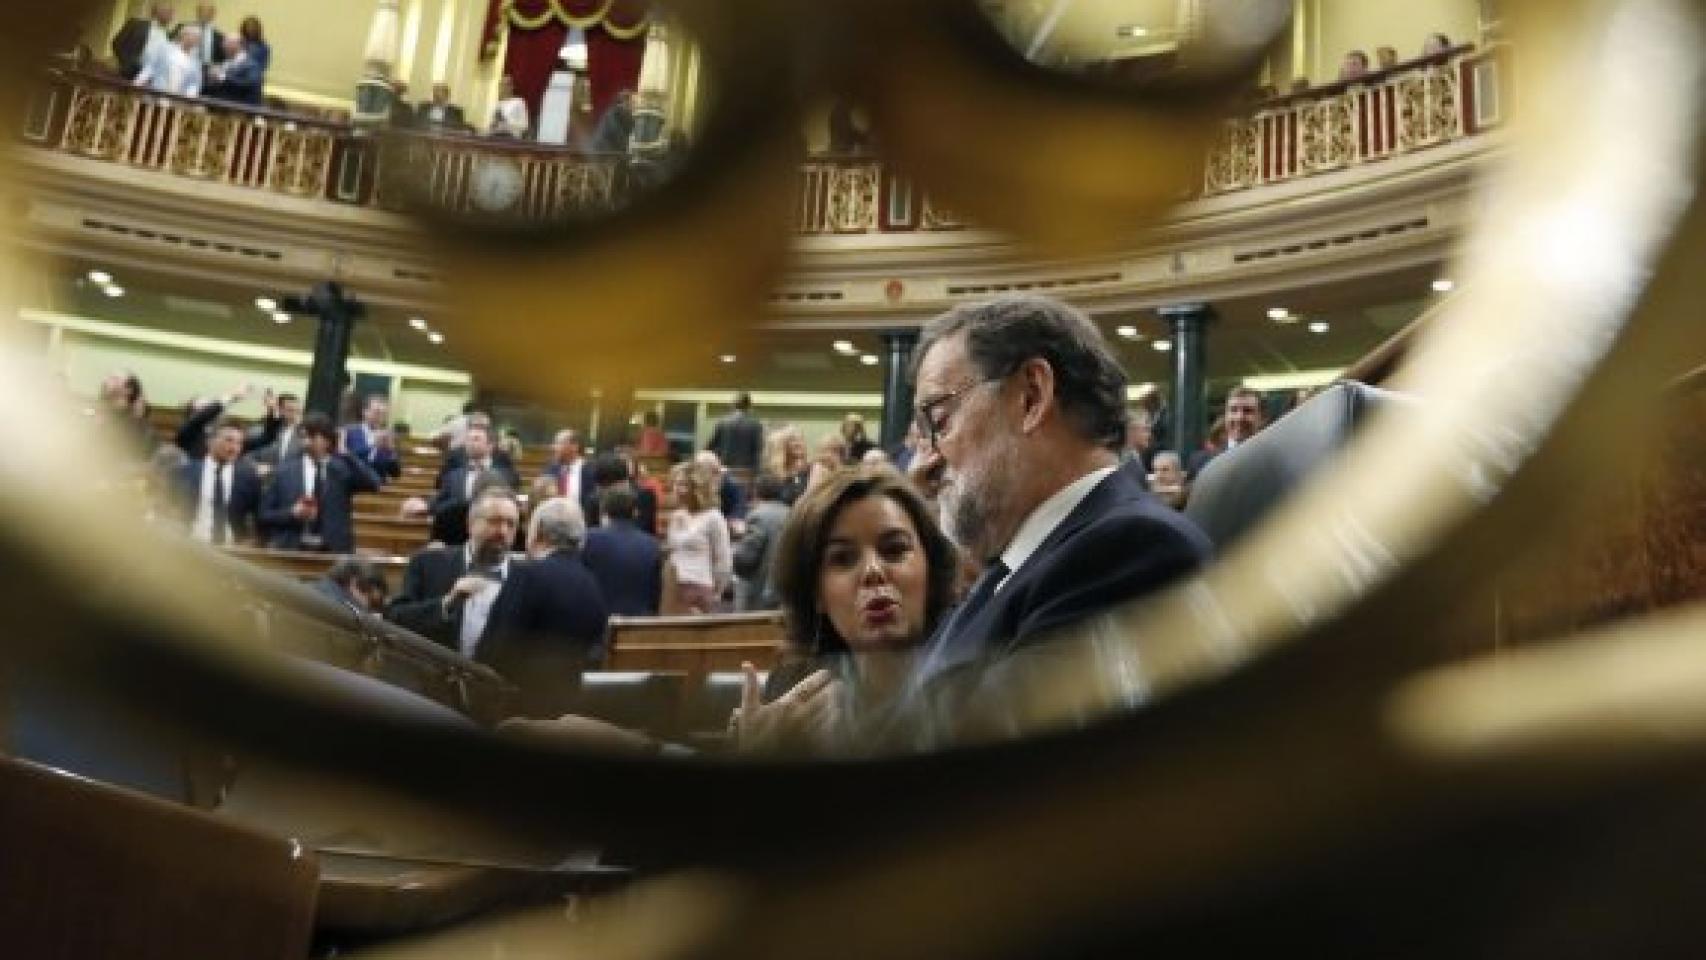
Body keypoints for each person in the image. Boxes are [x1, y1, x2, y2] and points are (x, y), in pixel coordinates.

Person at [902, 295, 1213, 745]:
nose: (924, 460)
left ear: (1031, 396)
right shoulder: (1023, 561)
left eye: (940, 419)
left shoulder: (1131, 551)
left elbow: (973, 771)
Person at [733, 466, 959, 755]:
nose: (873, 571)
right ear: (816, 594)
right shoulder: (792, 691)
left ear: (930, 567)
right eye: (842, 558)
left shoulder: (978, 679)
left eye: (894, 549)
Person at [482, 497, 610, 717]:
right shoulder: (592, 582)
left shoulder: (527, 574)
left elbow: (498, 646)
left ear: (538, 531)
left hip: (521, 707)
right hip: (571, 707)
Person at [387, 487, 520, 656]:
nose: (503, 531)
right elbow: (394, 619)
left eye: (511, 524)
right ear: (470, 524)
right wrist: (445, 604)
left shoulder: (527, 578)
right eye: (494, 521)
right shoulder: (428, 563)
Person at [259, 413, 382, 552]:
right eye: (303, 437)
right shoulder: (284, 470)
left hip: (334, 550)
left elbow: (374, 484)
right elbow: (264, 514)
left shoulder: (342, 469)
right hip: (292, 548)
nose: (306, 442)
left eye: (312, 436)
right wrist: (292, 513)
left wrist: (346, 454)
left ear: (327, 440)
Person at [431, 424, 521, 545]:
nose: (469, 443)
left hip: (494, 536)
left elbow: (513, 505)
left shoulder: (506, 475)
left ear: (490, 446)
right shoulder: (454, 475)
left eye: (476, 439)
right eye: (468, 439)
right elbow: (438, 504)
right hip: (457, 537)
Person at [176, 417, 261, 545]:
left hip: (232, 552)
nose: (234, 448)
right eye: (229, 440)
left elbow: (257, 515)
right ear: (210, 441)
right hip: (192, 547)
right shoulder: (186, 472)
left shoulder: (248, 477)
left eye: (239, 443)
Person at [582, 486, 662, 616]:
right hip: (640, 622)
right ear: (635, 512)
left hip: (599, 619)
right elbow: (655, 593)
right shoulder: (652, 544)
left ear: (604, 512)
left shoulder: (588, 538)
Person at [664, 461, 732, 614]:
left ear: (697, 488)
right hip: (674, 587)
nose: (677, 489)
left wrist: (716, 592)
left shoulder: (713, 517)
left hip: (699, 587)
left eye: (682, 485)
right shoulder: (676, 516)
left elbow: (723, 560)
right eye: (675, 484)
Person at [733, 473, 789, 612]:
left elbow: (746, 559)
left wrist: (735, 552)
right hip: (783, 591)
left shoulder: (758, 515)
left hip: (758, 592)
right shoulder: (791, 512)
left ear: (756, 491)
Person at [1188, 386, 1266, 475]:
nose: (1239, 417)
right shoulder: (1200, 462)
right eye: (1233, 410)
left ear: (1261, 418)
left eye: (1247, 411)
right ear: (1225, 416)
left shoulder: (1274, 460)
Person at [206, 17, 267, 106]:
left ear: (238, 45)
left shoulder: (252, 66)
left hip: (239, 111)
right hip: (218, 107)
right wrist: (211, 80)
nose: (223, 46)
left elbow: (249, 85)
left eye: (227, 43)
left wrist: (223, 77)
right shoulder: (225, 63)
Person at [342, 394, 401, 482]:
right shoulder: (350, 432)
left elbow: (396, 473)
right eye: (377, 412)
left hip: (379, 487)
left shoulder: (388, 436)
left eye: (383, 414)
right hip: (355, 485)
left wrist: (391, 452)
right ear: (365, 412)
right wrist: (373, 444)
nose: (380, 417)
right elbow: (349, 459)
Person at [136, 23, 203, 97]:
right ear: (183, 35)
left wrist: (189, 98)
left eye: (198, 38)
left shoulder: (196, 63)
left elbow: (194, 84)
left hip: (179, 99)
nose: (195, 40)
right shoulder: (164, 49)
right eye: (193, 36)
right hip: (157, 92)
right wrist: (139, 82)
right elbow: (150, 67)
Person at [540, 428, 595, 517]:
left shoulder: (591, 471)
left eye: (558, 443)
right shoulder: (550, 469)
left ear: (574, 446)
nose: (553, 447)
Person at [113, 2, 174, 81]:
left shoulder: (167, 35)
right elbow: (117, 43)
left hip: (150, 78)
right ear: (158, 12)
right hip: (127, 74)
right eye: (169, 12)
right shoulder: (136, 24)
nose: (172, 17)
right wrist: (127, 64)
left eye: (172, 13)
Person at [706, 391, 764, 471]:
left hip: (724, 468)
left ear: (733, 405)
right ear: (749, 406)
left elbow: (710, 447)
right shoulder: (755, 425)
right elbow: (758, 450)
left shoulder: (722, 422)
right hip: (746, 470)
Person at [314, 557, 389, 615]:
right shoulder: (341, 606)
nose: (367, 605)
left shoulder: (319, 588)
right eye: (372, 602)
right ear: (354, 582)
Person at [765, 425, 812, 505]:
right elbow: (788, 497)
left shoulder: (810, 469)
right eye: (792, 440)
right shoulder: (772, 474)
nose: (798, 443)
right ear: (782, 445)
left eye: (801, 440)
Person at [172, 3, 225, 68]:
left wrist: (217, 67)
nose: (205, 14)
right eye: (202, 11)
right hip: (183, 67)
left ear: (213, 14)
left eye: (208, 12)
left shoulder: (219, 36)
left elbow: (221, 58)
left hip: (208, 71)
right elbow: (171, 46)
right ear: (197, 12)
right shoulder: (182, 27)